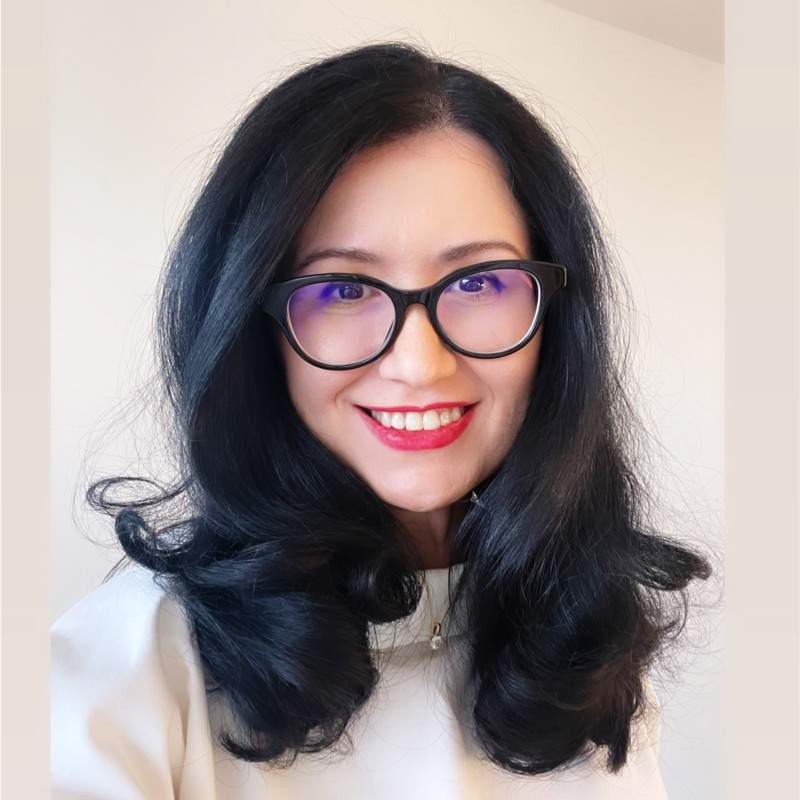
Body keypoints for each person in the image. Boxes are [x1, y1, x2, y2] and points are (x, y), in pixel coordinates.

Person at [51, 42, 710, 798]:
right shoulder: (123, 677)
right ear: (254, 330)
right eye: (343, 290)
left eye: (480, 282)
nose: (420, 363)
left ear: (557, 323)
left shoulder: (587, 652)